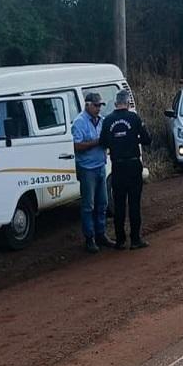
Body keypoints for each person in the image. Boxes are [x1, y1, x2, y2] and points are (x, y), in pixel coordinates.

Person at [100, 90, 153, 250]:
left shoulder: (108, 120)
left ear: (116, 103)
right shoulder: (134, 118)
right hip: (133, 164)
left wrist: (116, 142)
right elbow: (147, 140)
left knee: (119, 204)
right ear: (128, 103)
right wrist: (133, 138)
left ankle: (120, 240)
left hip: (117, 165)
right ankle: (135, 239)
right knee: (134, 203)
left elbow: (103, 142)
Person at [72, 91, 112, 253]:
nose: (98, 109)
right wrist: (98, 142)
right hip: (87, 168)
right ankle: (89, 238)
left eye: (100, 105)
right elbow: (77, 146)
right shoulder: (79, 122)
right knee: (88, 205)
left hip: (100, 165)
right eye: (95, 105)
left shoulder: (102, 121)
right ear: (87, 104)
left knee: (102, 203)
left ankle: (101, 234)